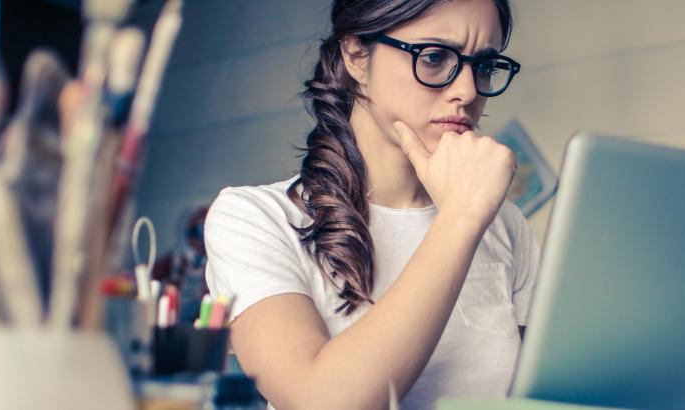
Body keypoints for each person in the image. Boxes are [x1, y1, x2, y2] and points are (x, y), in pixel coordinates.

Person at [202, 0, 538, 408]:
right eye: (433, 57)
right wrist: (461, 219)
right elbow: (319, 401)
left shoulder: (506, 226)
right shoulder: (255, 219)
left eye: (483, 66)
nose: (467, 91)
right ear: (357, 55)